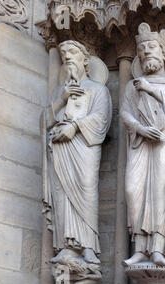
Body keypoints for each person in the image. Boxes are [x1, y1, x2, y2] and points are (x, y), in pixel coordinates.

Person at [121, 23, 165, 267]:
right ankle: (140, 247)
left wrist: (152, 91)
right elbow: (126, 113)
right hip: (140, 144)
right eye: (142, 50)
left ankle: (159, 247)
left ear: (163, 53)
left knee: (160, 193)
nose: (147, 52)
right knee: (133, 191)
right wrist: (140, 129)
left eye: (152, 47)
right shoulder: (132, 85)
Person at [44, 40, 112, 265]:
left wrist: (75, 127)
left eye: (73, 53)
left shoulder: (98, 89)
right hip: (61, 150)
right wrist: (61, 99)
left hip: (84, 148)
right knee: (62, 194)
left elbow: (102, 118)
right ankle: (67, 245)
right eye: (64, 55)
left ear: (85, 59)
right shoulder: (59, 92)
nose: (68, 58)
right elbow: (44, 121)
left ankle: (88, 246)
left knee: (86, 189)